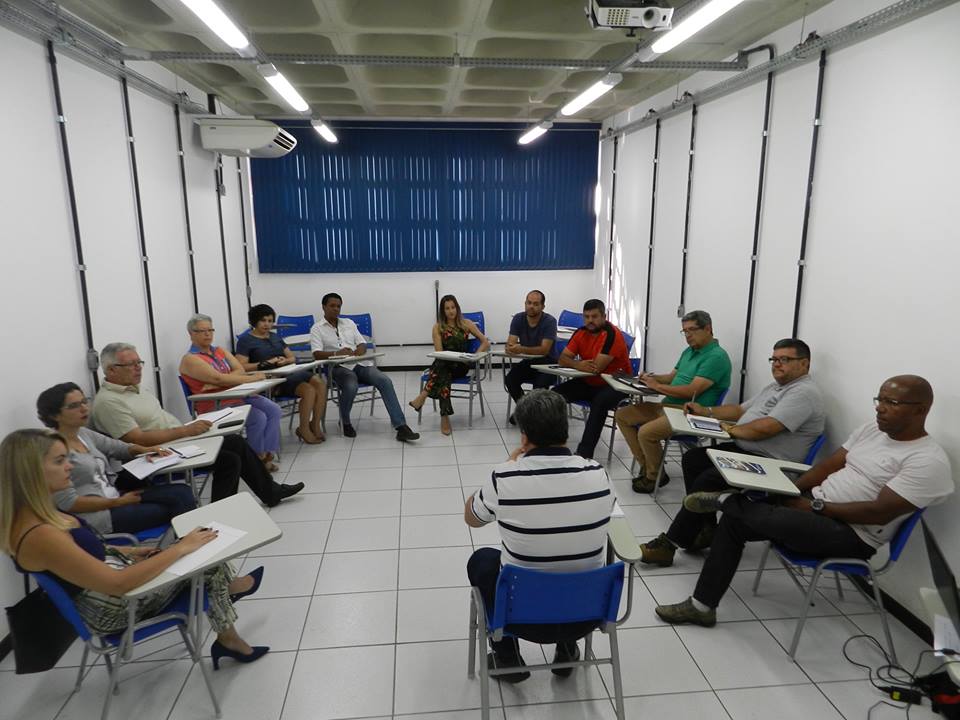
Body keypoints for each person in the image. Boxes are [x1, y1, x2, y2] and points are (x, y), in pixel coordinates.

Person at [654, 375, 953, 627]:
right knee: (735, 521)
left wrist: (815, 507)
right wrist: (792, 493)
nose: (881, 408)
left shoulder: (926, 460)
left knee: (743, 510)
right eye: (880, 399)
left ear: (921, 410)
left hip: (851, 535)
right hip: (814, 507)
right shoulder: (871, 431)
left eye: (892, 403)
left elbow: (877, 513)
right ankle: (702, 606)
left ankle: (726, 502)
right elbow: (827, 466)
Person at [0, 428, 269, 669]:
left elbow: (82, 553)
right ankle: (229, 624)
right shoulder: (40, 534)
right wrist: (178, 550)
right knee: (207, 561)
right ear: (31, 471)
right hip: (115, 607)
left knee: (200, 550)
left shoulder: (38, 514)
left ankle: (229, 614)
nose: (69, 466)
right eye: (59, 461)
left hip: (113, 579)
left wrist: (130, 552)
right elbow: (117, 585)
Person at [464, 390, 614, 682]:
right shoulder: (598, 474)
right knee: (574, 557)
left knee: (482, 560)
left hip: (520, 617)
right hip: (586, 614)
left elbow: (472, 518)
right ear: (566, 431)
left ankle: (507, 658)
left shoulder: (505, 477)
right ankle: (566, 650)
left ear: (524, 437)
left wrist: (508, 466)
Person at [639, 339, 825, 566]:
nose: (777, 364)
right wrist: (706, 411)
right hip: (747, 451)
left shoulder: (804, 393)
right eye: (774, 359)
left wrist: (730, 430)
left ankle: (670, 543)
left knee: (709, 478)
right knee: (693, 459)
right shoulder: (775, 387)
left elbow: (766, 429)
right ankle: (706, 529)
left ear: (804, 363)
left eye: (784, 359)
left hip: (770, 464)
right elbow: (738, 410)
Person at [91, 343, 304, 508]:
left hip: (178, 439)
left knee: (234, 441)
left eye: (139, 362)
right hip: (156, 455)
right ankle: (224, 513)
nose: (138, 368)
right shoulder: (109, 401)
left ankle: (270, 493)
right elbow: (136, 440)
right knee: (228, 460)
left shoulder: (136, 389)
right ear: (111, 370)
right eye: (131, 365)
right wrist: (185, 431)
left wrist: (187, 430)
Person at [37, 382, 196, 535]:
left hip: (115, 499)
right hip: (99, 517)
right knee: (178, 506)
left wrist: (145, 450)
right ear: (54, 415)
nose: (84, 408)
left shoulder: (82, 434)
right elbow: (69, 503)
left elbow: (117, 447)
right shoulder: (53, 451)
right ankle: (191, 545)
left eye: (84, 402)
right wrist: (117, 502)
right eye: (74, 406)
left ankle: (190, 543)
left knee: (182, 491)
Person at [615, 310, 732, 493]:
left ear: (708, 329)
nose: (688, 335)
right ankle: (650, 466)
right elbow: (670, 378)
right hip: (668, 406)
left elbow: (692, 391)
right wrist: (650, 378)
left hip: (690, 413)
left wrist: (657, 386)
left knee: (646, 432)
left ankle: (654, 476)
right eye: (685, 331)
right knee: (623, 415)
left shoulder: (716, 357)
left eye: (692, 330)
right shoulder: (689, 351)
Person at [309, 293, 419, 442]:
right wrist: (336, 353)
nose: (336, 309)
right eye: (332, 306)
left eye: (338, 306)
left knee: (385, 380)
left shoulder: (348, 323)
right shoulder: (317, 328)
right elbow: (316, 354)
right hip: (337, 367)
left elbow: (362, 343)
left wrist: (360, 350)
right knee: (351, 384)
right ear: (323, 307)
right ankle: (345, 421)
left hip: (358, 363)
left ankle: (401, 427)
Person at [179, 313, 281, 472]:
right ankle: (258, 459)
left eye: (210, 330)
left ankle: (267, 453)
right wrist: (252, 378)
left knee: (273, 409)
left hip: (238, 394)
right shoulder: (190, 359)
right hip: (214, 403)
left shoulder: (219, 350)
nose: (208, 334)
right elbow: (219, 379)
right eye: (202, 331)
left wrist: (224, 379)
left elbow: (238, 370)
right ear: (191, 333)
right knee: (258, 417)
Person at [235, 303, 327, 444]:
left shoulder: (275, 337)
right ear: (254, 321)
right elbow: (241, 367)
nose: (267, 324)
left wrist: (285, 361)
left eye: (270, 321)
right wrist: (263, 364)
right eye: (263, 320)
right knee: (309, 390)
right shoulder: (245, 341)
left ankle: (314, 424)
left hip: (288, 372)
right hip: (269, 379)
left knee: (320, 383)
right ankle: (304, 429)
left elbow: (292, 357)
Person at [551, 299, 632, 459]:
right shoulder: (581, 332)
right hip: (589, 381)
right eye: (586, 317)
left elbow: (596, 368)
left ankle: (584, 453)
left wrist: (575, 363)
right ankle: (553, 443)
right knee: (553, 397)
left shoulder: (612, 334)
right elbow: (562, 359)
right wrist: (578, 364)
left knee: (599, 402)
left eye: (594, 316)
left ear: (604, 317)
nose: (590, 320)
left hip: (616, 384)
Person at [407, 294, 490, 435]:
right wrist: (447, 358)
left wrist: (474, 356)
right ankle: (444, 417)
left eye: (453, 307)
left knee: (440, 368)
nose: (451, 311)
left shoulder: (466, 323)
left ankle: (423, 396)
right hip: (444, 364)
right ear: (443, 311)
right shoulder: (438, 327)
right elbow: (439, 353)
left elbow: (485, 342)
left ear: (457, 308)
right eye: (447, 308)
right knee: (443, 371)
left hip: (461, 365)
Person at [503, 290, 559, 420]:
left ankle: (528, 414)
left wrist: (520, 349)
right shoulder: (518, 318)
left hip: (549, 363)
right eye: (529, 303)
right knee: (510, 379)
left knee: (539, 385)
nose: (531, 306)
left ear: (543, 306)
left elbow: (544, 350)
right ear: (525, 303)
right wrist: (510, 348)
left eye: (535, 304)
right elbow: (511, 343)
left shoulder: (550, 321)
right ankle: (526, 411)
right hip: (530, 361)